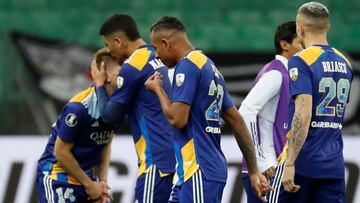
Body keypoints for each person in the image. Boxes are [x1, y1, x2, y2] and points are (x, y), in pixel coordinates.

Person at [145, 16, 272, 203]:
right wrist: (253, 170)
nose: (156, 55)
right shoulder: (209, 66)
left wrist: (158, 90)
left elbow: (178, 119)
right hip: (193, 172)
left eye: (156, 48)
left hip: (198, 169)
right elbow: (236, 121)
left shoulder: (186, 67)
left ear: (166, 43)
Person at [91, 14, 176, 203]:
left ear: (118, 41)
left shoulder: (133, 66)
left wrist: (99, 85)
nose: (108, 50)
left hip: (157, 162)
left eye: (108, 44)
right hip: (180, 160)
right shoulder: (160, 57)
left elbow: (110, 116)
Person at [279, 2, 353, 203]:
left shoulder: (301, 60)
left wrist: (290, 164)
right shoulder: (345, 62)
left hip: (304, 164)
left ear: (299, 28)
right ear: (327, 27)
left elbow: (303, 114)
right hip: (334, 165)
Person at [36, 52, 121, 203]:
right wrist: (89, 184)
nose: (126, 77)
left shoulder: (119, 106)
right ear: (105, 75)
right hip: (58, 176)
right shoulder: (79, 108)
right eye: (120, 73)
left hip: (86, 177)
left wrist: (102, 182)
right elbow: (60, 152)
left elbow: (105, 145)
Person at [238, 21, 303, 203]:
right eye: (301, 43)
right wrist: (260, 162)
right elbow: (246, 111)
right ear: (284, 44)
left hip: (275, 167)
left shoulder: (288, 73)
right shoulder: (275, 73)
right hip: (268, 170)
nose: (305, 49)